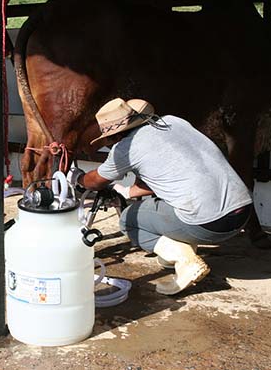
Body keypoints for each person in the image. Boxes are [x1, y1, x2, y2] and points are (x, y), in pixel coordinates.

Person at [70, 98, 253, 295]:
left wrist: (77, 177)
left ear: (113, 136)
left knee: (129, 220)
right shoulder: (173, 122)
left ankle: (186, 261)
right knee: (168, 207)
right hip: (242, 214)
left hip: (211, 225)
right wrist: (128, 191)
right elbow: (172, 173)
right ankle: (174, 255)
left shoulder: (125, 148)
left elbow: (95, 181)